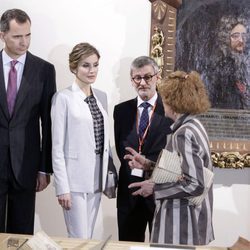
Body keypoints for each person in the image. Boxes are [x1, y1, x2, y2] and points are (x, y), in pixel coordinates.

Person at [125, 71, 214, 245]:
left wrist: (154, 188)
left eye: (164, 98)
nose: (162, 102)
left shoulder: (184, 133)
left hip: (182, 225)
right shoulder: (194, 126)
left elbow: (195, 184)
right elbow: (180, 169)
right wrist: (148, 165)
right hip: (189, 219)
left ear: (173, 102)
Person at [51, 42, 116, 239]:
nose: (92, 70)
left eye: (95, 65)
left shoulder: (101, 97)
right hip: (74, 181)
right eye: (86, 65)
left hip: (97, 177)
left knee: (89, 237)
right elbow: (57, 147)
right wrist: (62, 188)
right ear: (74, 67)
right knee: (78, 237)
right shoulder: (63, 98)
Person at [0, 9, 56, 234]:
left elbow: (48, 123)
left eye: (28, 35)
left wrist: (44, 168)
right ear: (2, 34)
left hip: (26, 165)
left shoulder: (44, 70)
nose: (24, 42)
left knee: (21, 234)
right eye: (17, 36)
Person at [113, 56, 173, 242]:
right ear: (131, 80)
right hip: (129, 191)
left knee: (162, 246)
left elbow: (174, 155)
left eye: (148, 77)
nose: (142, 82)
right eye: (137, 78)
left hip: (160, 190)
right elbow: (120, 148)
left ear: (157, 77)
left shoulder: (171, 110)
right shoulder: (120, 110)